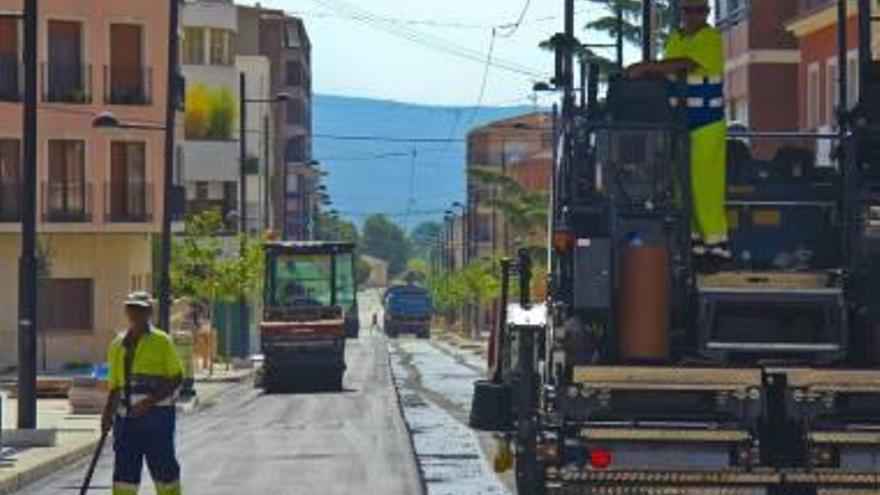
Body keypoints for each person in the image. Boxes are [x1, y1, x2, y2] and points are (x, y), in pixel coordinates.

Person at [627, 0, 730, 270]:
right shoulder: (676, 38)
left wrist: (648, 66)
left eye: (700, 10)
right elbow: (669, 71)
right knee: (681, 184)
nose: (694, 15)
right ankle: (694, 246)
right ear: (681, 12)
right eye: (689, 9)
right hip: (679, 125)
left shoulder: (710, 38)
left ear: (707, 13)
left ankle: (716, 249)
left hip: (706, 124)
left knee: (704, 186)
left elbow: (685, 64)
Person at [101, 291, 184, 495]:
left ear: (149, 312)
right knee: (124, 478)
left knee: (164, 473)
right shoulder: (117, 346)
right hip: (126, 421)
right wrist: (106, 415)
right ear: (126, 311)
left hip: (157, 419)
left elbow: (176, 377)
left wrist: (148, 403)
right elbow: (115, 387)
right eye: (131, 308)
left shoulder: (162, 342)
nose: (135, 313)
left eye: (140, 309)